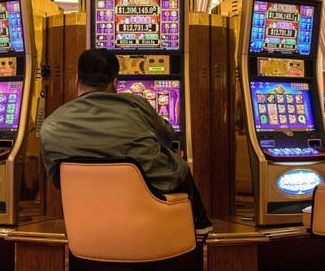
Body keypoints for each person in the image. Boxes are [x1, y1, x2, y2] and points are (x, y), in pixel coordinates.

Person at [39, 48, 212, 234]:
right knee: (178, 165)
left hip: (87, 225)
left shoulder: (50, 125)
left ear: (76, 81)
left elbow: (58, 181)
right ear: (115, 83)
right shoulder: (136, 104)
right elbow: (168, 137)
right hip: (147, 218)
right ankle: (199, 227)